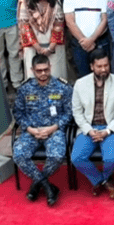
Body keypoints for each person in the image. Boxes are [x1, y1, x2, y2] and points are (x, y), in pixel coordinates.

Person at [12, 53, 72, 206]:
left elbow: (69, 113)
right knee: (18, 154)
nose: (43, 73)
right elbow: (18, 113)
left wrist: (54, 127)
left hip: (54, 131)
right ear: (32, 70)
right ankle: (47, 186)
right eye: (39, 71)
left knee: (57, 155)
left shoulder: (62, 87)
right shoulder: (25, 89)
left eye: (46, 69)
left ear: (50, 67)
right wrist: (30, 129)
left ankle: (36, 185)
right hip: (32, 132)